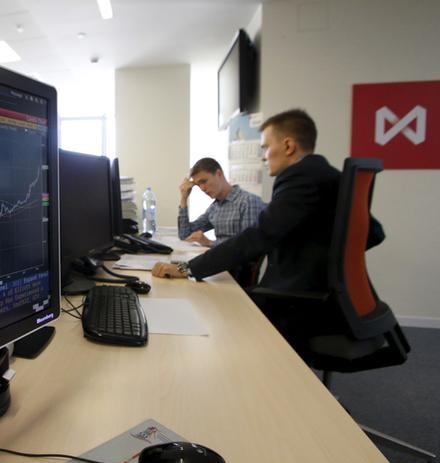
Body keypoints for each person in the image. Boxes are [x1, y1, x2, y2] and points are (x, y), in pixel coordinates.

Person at [153, 109, 384, 349]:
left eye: (265, 147)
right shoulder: (328, 175)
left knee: (214, 310)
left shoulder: (300, 177)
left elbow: (257, 236)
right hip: (333, 297)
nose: (263, 156)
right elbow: (374, 232)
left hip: (300, 301)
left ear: (288, 146)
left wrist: (187, 268)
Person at [178, 157, 266, 248]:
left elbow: (249, 246)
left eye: (204, 181)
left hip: (234, 261)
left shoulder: (248, 202)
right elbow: (185, 235)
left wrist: (209, 242)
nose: (202, 188)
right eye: (198, 185)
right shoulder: (215, 207)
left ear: (219, 174)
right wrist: (184, 198)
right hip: (219, 259)